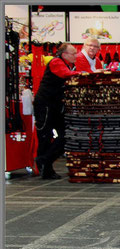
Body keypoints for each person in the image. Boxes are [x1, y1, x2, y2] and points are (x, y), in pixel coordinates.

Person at [34, 43, 81, 179]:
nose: (75, 56)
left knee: (65, 135)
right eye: (73, 53)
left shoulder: (67, 64)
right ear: (64, 54)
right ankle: (45, 166)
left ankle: (45, 161)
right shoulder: (56, 62)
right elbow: (66, 74)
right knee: (45, 135)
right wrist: (83, 74)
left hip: (55, 105)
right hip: (46, 104)